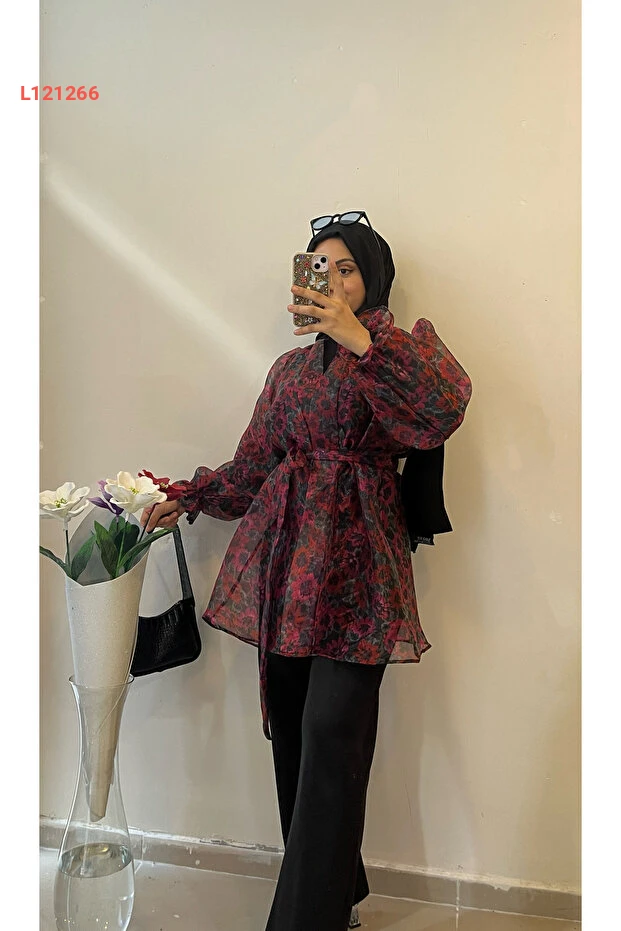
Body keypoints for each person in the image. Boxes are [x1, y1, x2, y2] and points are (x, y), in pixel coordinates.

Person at [141, 212, 472, 931]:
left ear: (372, 278)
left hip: (361, 575)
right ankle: (335, 892)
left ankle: (305, 919)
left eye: (346, 268)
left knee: (332, 732)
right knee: (293, 730)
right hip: (290, 571)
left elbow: (442, 409)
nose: (333, 281)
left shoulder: (404, 349)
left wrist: (362, 339)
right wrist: (187, 497)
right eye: (320, 267)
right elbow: (254, 465)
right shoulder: (289, 372)